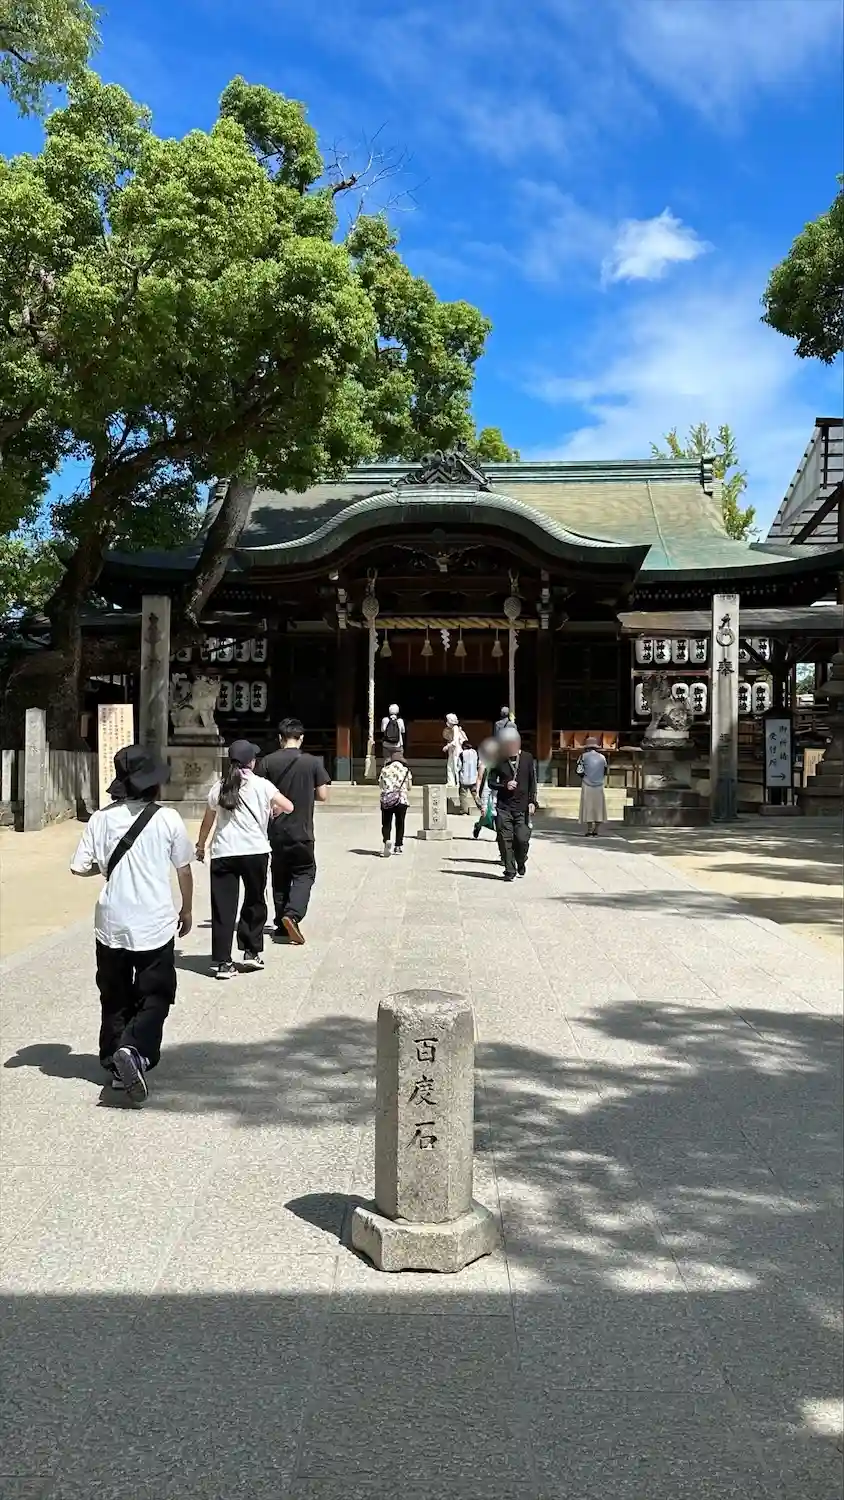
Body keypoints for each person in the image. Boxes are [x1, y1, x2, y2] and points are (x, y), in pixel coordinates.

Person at [70, 744, 194, 1105]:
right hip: (153, 920)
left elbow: (79, 867)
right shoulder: (168, 819)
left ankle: (115, 1064)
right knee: (156, 993)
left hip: (111, 920)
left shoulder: (101, 819)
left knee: (114, 994)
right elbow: (184, 869)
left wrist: (109, 869)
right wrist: (187, 909)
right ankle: (135, 1051)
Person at [196, 740, 292, 978]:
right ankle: (251, 951)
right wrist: (275, 809)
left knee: (222, 907)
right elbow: (289, 806)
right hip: (254, 851)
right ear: (252, 762)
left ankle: (222, 962)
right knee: (254, 901)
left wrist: (201, 846)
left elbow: (208, 821)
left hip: (223, 852)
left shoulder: (219, 787)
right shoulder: (262, 785)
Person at [258, 717, 330, 945]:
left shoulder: (267, 762)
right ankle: (293, 914)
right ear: (301, 738)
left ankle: (281, 925)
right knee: (305, 873)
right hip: (302, 830)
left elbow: (259, 794)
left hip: (276, 831)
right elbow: (323, 795)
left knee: (280, 876)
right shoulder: (312, 762)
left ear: (280, 738)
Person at [488, 728, 536, 882]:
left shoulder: (527, 758)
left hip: (522, 807)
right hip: (504, 806)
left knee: (522, 839)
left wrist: (532, 801)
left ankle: (521, 860)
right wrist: (504, 785)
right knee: (504, 838)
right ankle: (509, 869)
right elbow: (490, 782)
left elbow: (532, 781)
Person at [378, 748, 413, 855]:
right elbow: (409, 787)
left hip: (387, 799)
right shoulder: (406, 770)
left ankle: (387, 841)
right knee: (400, 823)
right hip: (401, 799)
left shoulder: (385, 770)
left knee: (386, 823)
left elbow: (381, 785)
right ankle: (398, 846)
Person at [578, 736, 608, 837]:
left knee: (588, 807)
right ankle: (596, 829)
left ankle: (589, 829)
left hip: (587, 784)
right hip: (599, 785)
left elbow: (579, 770)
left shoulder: (583, 756)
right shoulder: (602, 757)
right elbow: (605, 771)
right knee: (599, 807)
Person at [443, 713, 467, 803]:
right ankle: (451, 782)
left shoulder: (456, 728)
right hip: (452, 750)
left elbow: (455, 741)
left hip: (457, 749)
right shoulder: (450, 729)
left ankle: (457, 782)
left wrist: (447, 746)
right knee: (450, 765)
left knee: (457, 767)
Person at [458, 738, 479, 815]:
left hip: (464, 778)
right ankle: (481, 807)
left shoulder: (462, 754)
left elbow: (459, 766)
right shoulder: (475, 753)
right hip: (474, 777)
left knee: (463, 795)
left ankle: (464, 810)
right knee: (475, 793)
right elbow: (478, 763)